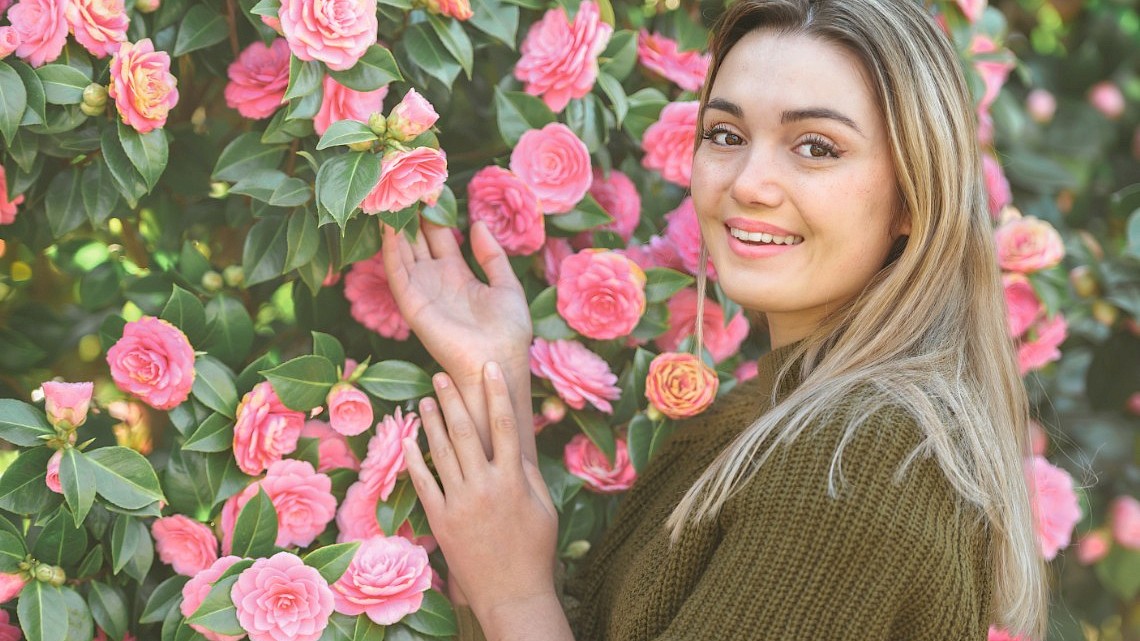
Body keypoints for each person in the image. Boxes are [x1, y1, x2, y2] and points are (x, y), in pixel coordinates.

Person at [380, 0, 1049, 639]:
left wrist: (513, 592)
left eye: (816, 146)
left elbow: (522, 607)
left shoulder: (860, 459)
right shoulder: (780, 416)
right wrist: (496, 373)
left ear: (913, 195)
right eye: (726, 134)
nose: (748, 181)